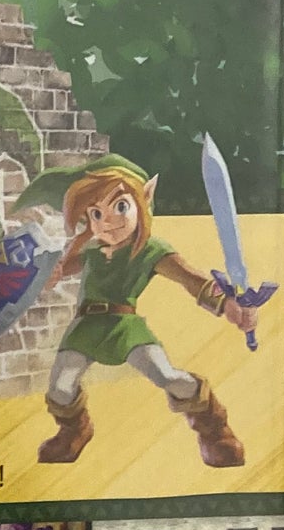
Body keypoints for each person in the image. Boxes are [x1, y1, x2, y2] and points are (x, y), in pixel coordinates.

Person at [35, 156, 254, 468]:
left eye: (120, 207)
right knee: (59, 388)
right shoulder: (90, 249)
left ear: (144, 200)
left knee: (167, 376)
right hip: (85, 327)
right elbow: (55, 272)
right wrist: (46, 275)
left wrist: (227, 304)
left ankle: (214, 427)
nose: (108, 221)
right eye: (97, 213)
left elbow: (191, 279)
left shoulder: (150, 249)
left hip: (125, 325)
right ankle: (74, 431)